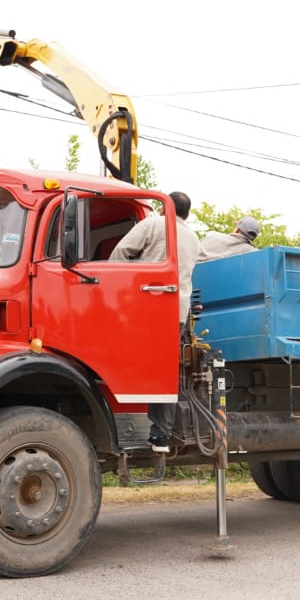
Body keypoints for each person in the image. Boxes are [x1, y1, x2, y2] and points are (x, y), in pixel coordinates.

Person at [109, 191, 199, 453]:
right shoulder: (193, 238)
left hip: (145, 307)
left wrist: (119, 288)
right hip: (177, 312)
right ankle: (160, 435)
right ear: (187, 214)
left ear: (165, 207)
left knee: (124, 358)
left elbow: (120, 253)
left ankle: (117, 423)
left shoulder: (153, 224)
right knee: (165, 371)